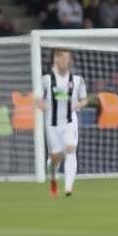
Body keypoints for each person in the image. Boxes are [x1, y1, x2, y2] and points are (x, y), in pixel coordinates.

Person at [38, 49, 88, 197]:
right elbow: (38, 99)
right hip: (52, 123)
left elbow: (84, 99)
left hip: (70, 122)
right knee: (55, 158)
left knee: (70, 150)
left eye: (68, 58)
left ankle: (68, 188)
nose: (65, 61)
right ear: (55, 60)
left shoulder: (78, 80)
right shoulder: (46, 79)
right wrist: (42, 105)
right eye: (62, 57)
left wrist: (79, 105)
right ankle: (53, 180)